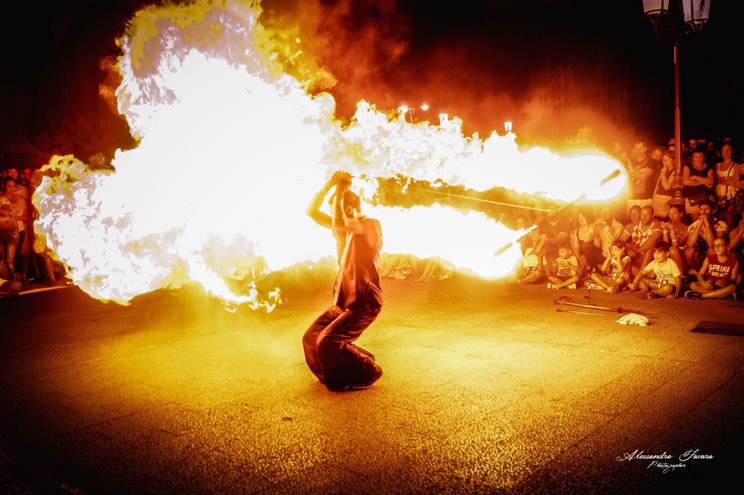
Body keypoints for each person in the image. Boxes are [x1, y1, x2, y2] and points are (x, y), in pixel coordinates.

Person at [303, 171, 384, 392]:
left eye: (336, 208)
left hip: (365, 302)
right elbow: (311, 211)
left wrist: (339, 194)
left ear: (350, 209)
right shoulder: (341, 226)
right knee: (311, 338)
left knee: (327, 341)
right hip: (344, 299)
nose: (332, 216)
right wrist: (330, 184)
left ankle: (368, 369)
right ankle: (335, 374)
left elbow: (341, 222)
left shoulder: (369, 225)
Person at [685, 235, 739, 300]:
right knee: (693, 285)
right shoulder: (709, 259)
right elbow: (700, 274)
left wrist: (724, 281)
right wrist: (703, 283)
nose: (717, 248)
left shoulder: (734, 262)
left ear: (727, 247)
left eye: (720, 245)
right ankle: (724, 295)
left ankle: (701, 296)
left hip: (723, 286)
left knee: (732, 287)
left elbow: (733, 280)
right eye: (715, 246)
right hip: (710, 285)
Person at [619, 204, 663, 276]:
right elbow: (621, 240)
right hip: (637, 254)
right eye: (642, 214)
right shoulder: (632, 225)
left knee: (648, 249)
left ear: (652, 216)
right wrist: (627, 249)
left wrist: (637, 251)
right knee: (623, 247)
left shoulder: (656, 224)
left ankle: (639, 276)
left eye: (647, 214)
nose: (644, 217)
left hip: (651, 255)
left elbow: (652, 240)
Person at [683, 146, 715, 220]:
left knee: (708, 219)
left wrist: (695, 177)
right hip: (692, 197)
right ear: (693, 157)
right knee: (697, 221)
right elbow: (686, 182)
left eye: (700, 156)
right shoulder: (688, 166)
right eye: (696, 157)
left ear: (704, 157)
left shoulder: (709, 167)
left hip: (707, 198)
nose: (698, 159)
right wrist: (704, 182)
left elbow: (711, 181)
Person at [652, 152, 676, 220]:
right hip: (658, 198)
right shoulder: (663, 170)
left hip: (667, 198)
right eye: (663, 160)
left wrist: (663, 173)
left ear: (673, 160)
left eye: (667, 160)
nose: (665, 162)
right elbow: (657, 186)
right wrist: (653, 199)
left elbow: (667, 187)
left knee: (665, 219)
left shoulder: (674, 171)